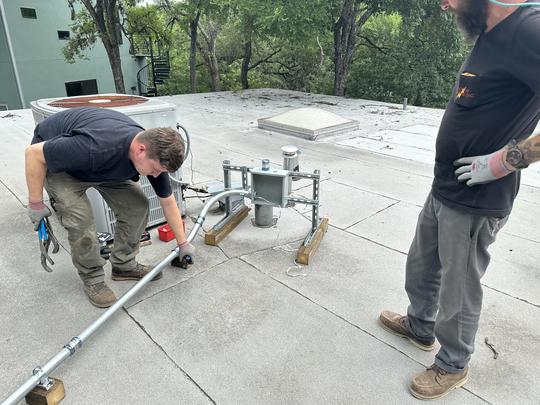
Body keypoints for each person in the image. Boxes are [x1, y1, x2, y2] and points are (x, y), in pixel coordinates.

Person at [378, 0, 540, 400]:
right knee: (421, 265)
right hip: (445, 186)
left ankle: (453, 364)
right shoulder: (491, 33)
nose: (443, 3)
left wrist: (508, 160)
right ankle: (420, 326)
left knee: (459, 287)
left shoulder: (528, 29)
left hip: (477, 200)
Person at [25, 107, 195, 308]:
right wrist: (35, 203)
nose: (156, 175)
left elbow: (168, 201)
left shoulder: (154, 152)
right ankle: (93, 279)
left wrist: (183, 244)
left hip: (102, 165)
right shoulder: (94, 147)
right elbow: (33, 154)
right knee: (80, 220)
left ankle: (124, 265)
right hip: (63, 167)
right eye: (155, 169)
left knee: (137, 206)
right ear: (140, 150)